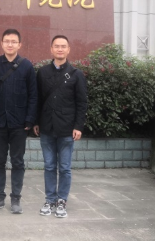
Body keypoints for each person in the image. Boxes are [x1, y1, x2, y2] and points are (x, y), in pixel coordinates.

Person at [33, 35, 88, 218]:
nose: (60, 49)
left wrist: (78, 126)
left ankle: (62, 200)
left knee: (64, 167)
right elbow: (38, 100)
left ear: (68, 49)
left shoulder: (76, 74)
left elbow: (82, 102)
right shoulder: (42, 73)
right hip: (47, 127)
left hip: (67, 128)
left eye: (63, 46)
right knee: (49, 166)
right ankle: (50, 200)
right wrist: (36, 122)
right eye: (56, 46)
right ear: (51, 49)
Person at [0, 29, 37, 214]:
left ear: (19, 44)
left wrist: (30, 119)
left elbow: (33, 95)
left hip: (19, 123)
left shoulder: (27, 66)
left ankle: (16, 198)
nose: (10, 44)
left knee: (17, 161)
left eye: (13, 41)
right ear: (1, 43)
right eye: (6, 41)